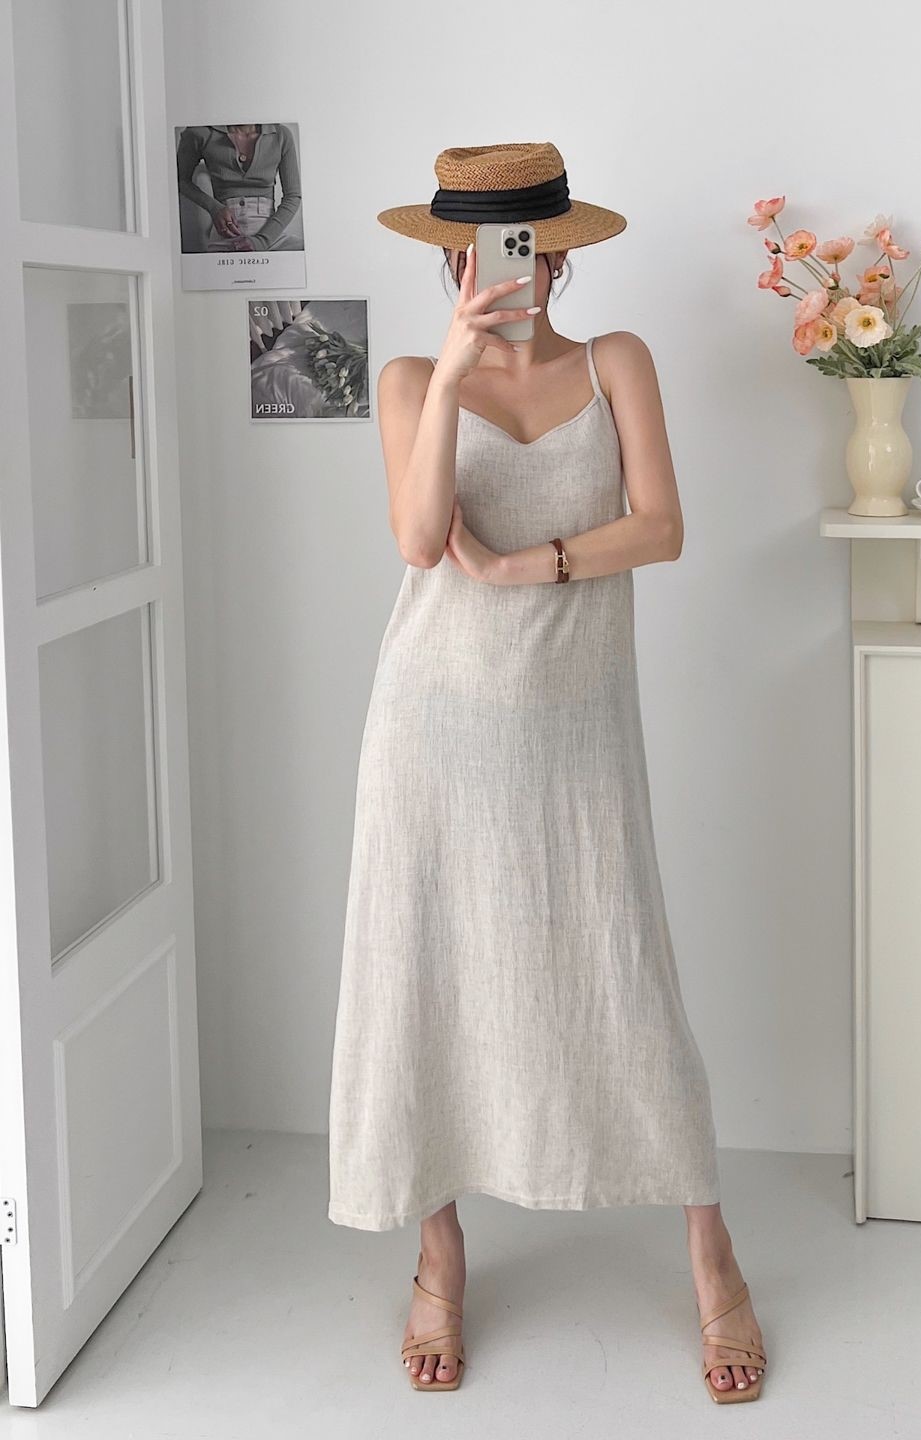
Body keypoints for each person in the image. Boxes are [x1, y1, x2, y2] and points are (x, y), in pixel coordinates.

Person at [327, 141, 767, 1404]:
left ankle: (712, 1251)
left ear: (557, 254)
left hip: (577, 724)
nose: (498, 268)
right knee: (425, 975)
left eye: (520, 246)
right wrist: (454, 369)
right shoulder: (411, 378)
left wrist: (534, 566)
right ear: (451, 258)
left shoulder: (617, 360)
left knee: (626, 973)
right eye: (474, 249)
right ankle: (439, 1253)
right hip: (433, 729)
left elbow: (663, 526)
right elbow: (420, 541)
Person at [175, 123, 303, 252]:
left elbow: (293, 196)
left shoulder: (280, 134)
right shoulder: (201, 132)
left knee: (305, 252)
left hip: (271, 234)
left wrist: (262, 240)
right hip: (227, 232)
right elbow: (179, 179)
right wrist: (214, 208)